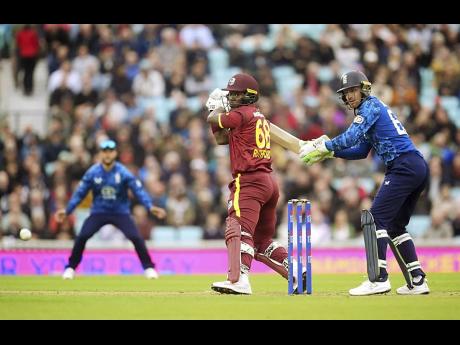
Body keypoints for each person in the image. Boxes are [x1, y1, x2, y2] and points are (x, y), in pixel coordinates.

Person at [299, 70, 430, 295]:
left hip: (403, 166)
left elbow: (349, 138)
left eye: (352, 90)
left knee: (376, 218)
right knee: (396, 225)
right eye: (345, 92)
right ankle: (418, 280)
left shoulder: (370, 106)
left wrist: (324, 146)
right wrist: (330, 154)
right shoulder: (369, 110)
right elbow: (361, 151)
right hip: (415, 166)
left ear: (363, 89)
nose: (349, 96)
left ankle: (378, 278)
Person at [205, 73, 308, 295]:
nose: (231, 97)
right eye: (230, 94)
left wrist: (214, 108)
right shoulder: (255, 117)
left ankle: (239, 279)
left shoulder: (241, 113)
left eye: (235, 94)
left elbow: (215, 119)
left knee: (239, 229)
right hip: (269, 182)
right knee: (262, 242)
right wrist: (218, 112)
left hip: (249, 181)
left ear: (248, 95)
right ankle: (296, 271)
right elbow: (222, 138)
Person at [55, 139, 166, 280]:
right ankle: (70, 268)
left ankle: (149, 268)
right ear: (101, 154)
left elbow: (138, 191)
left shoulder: (123, 172)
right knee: (82, 236)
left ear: (115, 153)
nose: (107, 154)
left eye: (110, 151)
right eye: (105, 151)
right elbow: (79, 193)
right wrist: (68, 210)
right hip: (99, 212)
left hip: (120, 212)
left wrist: (150, 206)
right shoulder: (93, 173)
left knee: (136, 237)